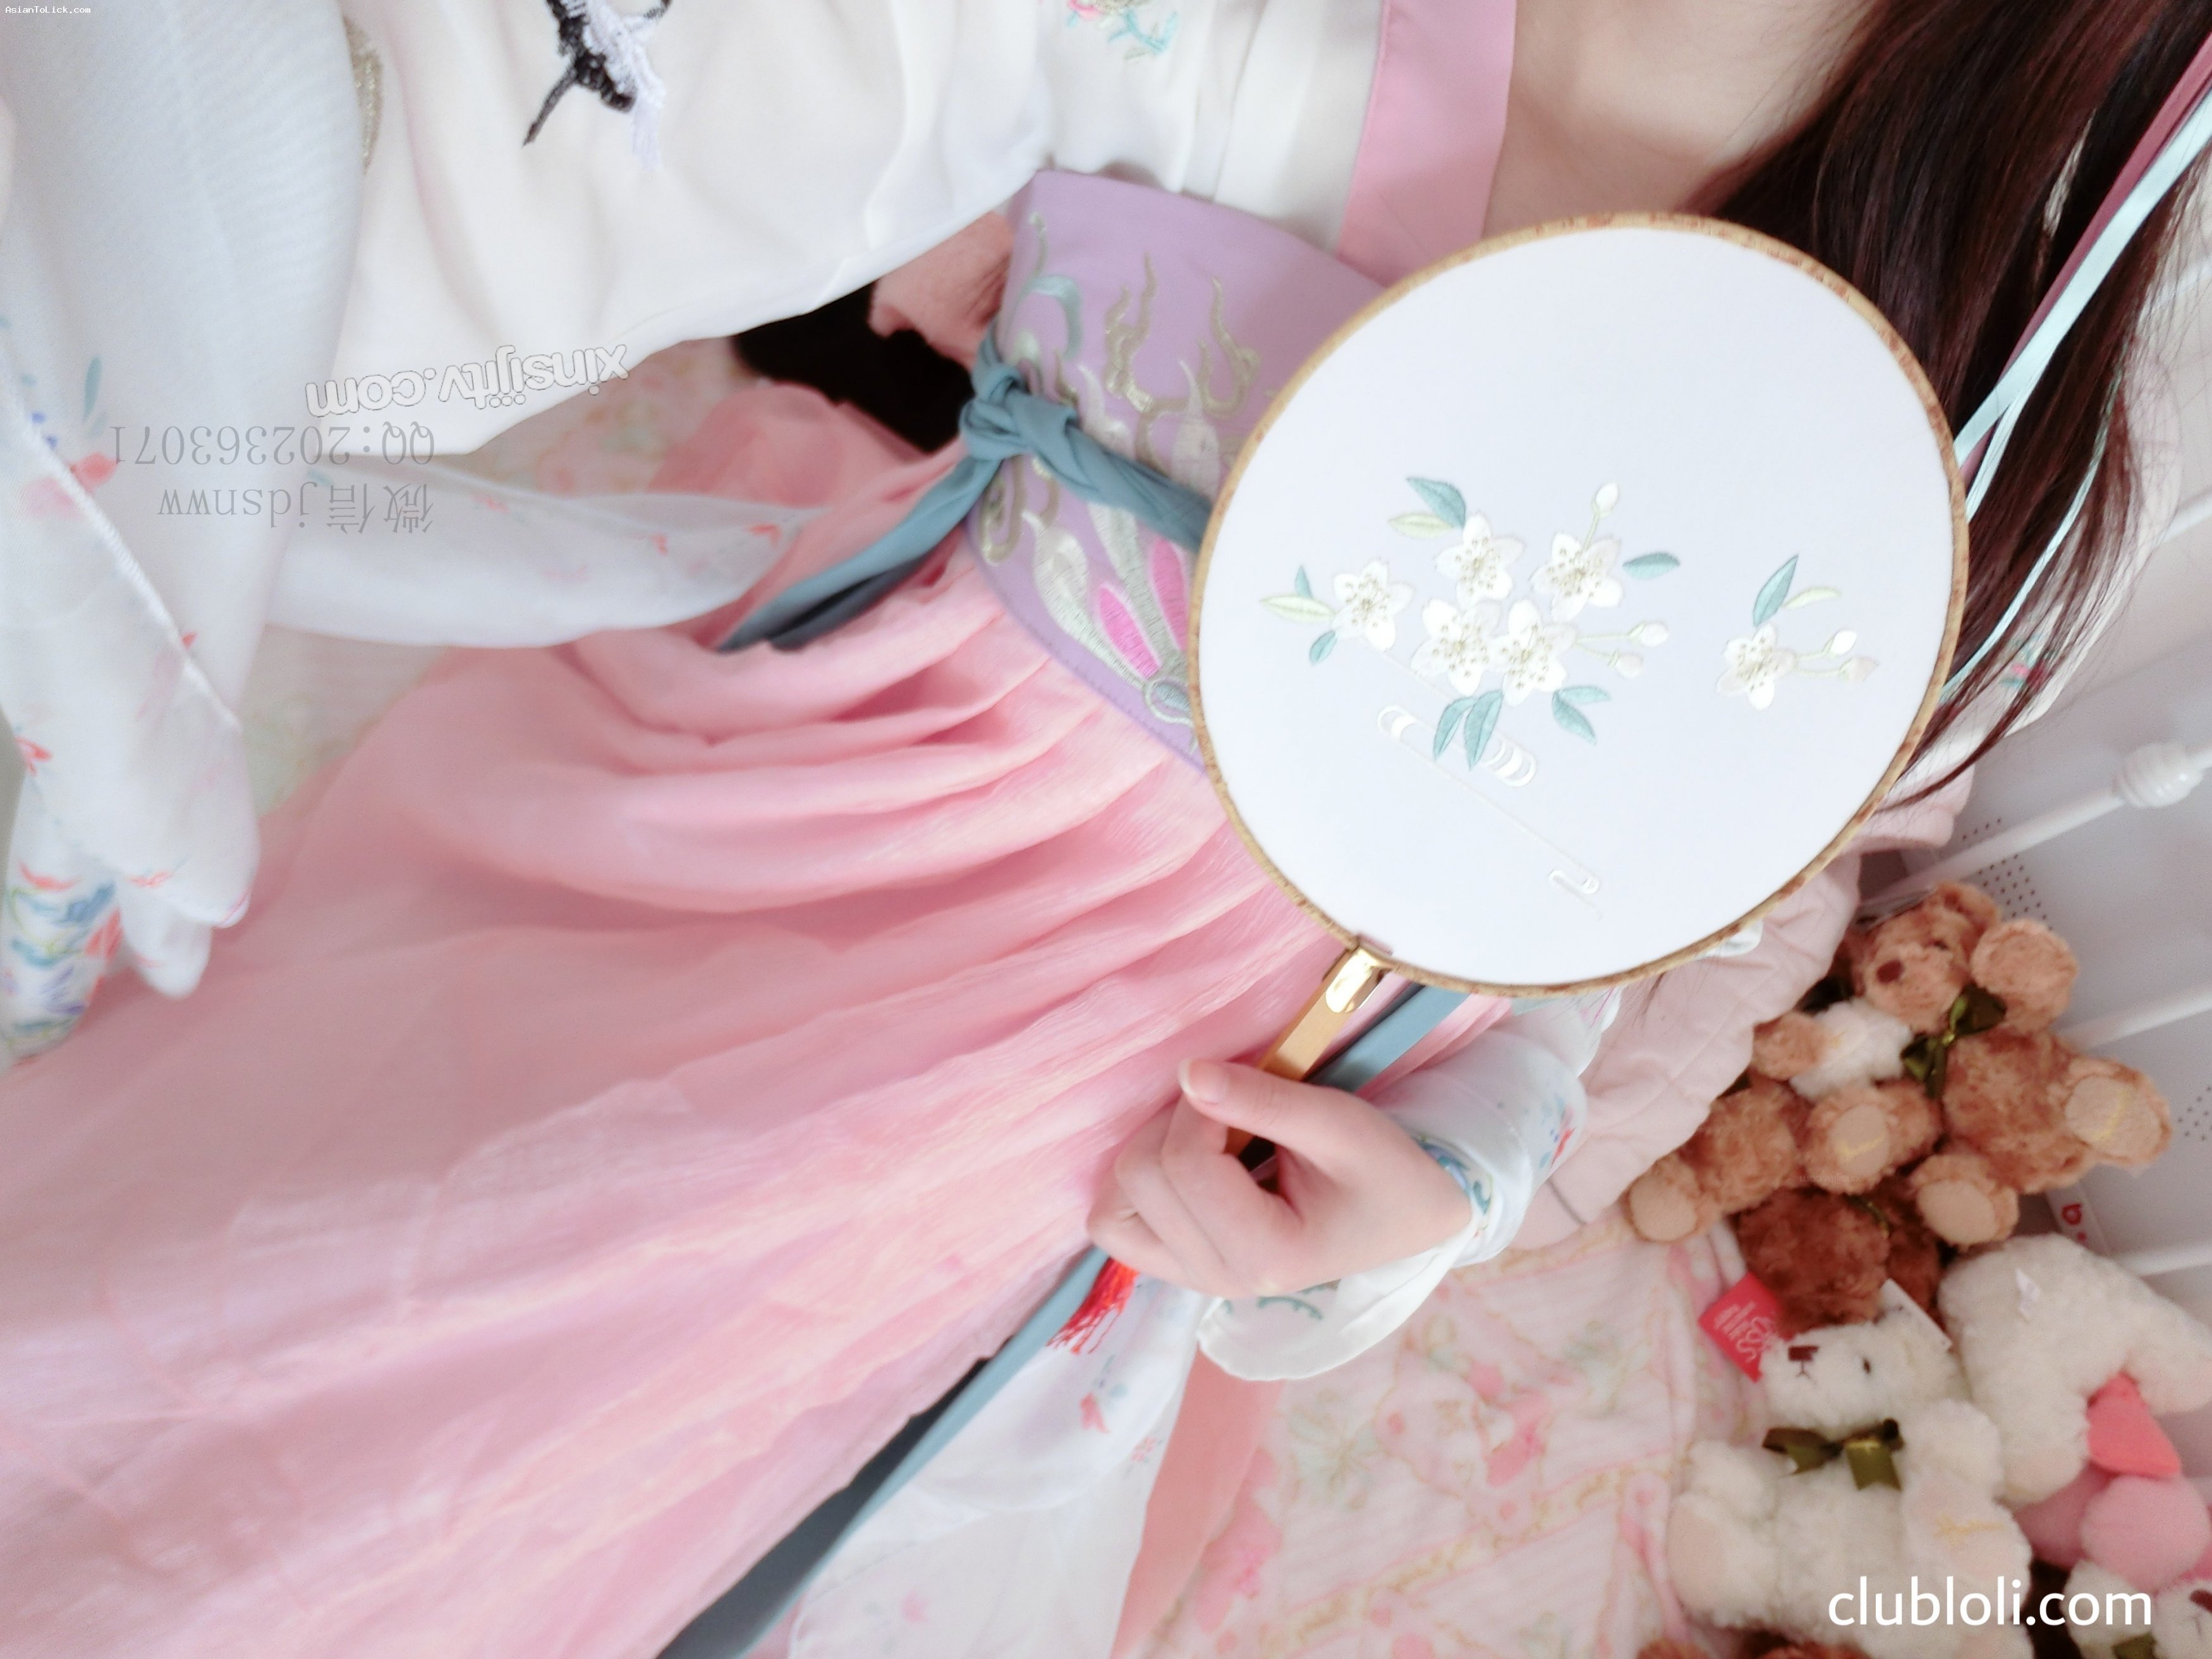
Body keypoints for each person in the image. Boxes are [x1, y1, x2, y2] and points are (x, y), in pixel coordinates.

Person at [0, 1, 2203, 1656]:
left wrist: (1448, 1180)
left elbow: (1659, 903)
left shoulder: (1994, 412)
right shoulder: (1211, 37)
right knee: (276, 1203)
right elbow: (521, 168)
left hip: (1132, 1057)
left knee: (514, 1339)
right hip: (823, 746)